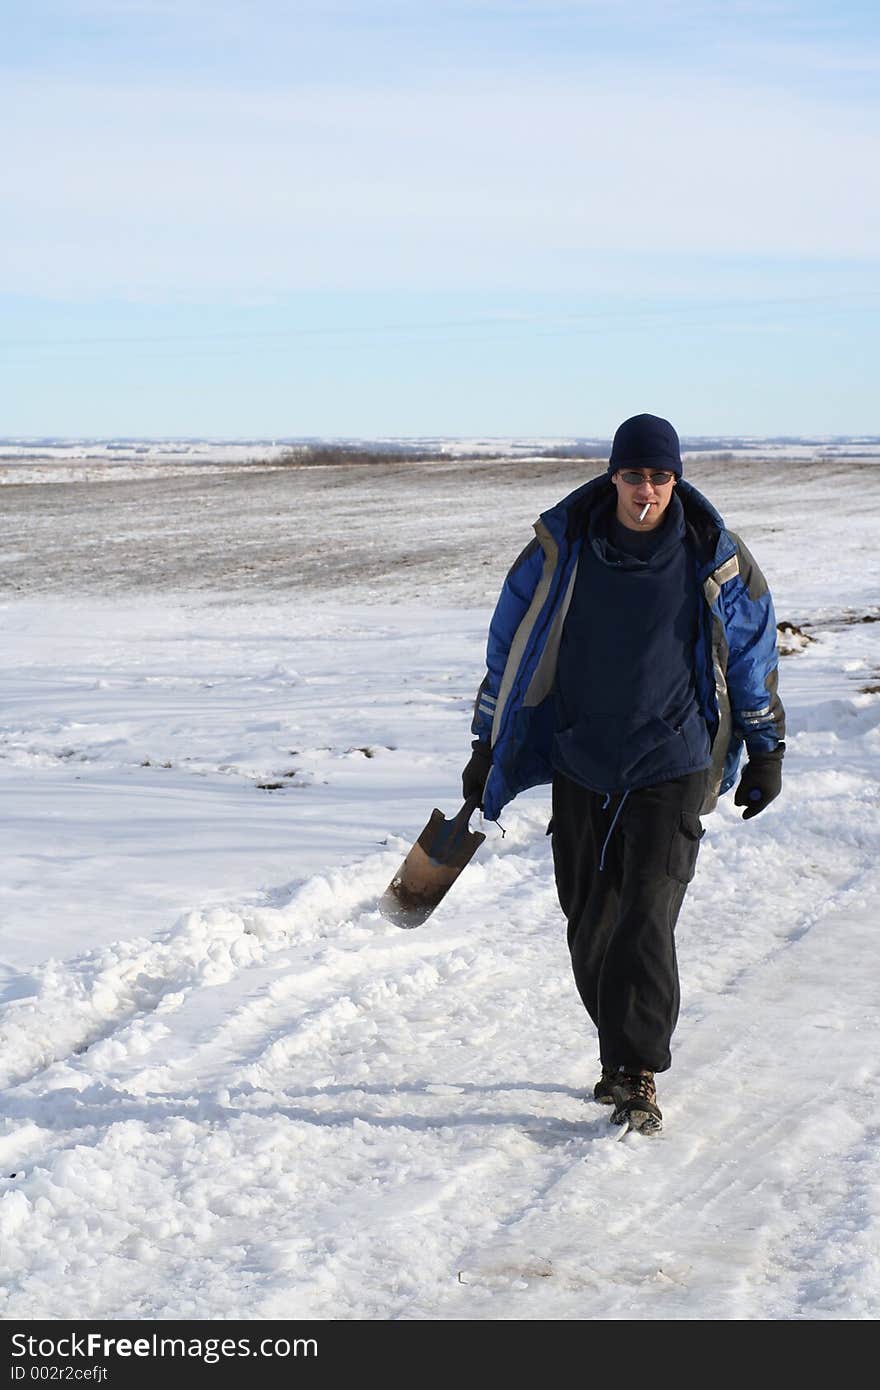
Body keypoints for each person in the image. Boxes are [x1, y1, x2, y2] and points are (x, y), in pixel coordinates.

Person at [462, 414, 785, 1134]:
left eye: (661, 477)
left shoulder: (714, 556)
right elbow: (507, 648)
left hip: (672, 759)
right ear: (614, 475)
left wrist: (766, 748)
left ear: (677, 479)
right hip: (581, 754)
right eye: (635, 475)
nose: (647, 490)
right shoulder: (561, 551)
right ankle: (618, 1050)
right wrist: (487, 743)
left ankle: (636, 1070)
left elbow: (753, 653)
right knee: (589, 918)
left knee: (645, 913)